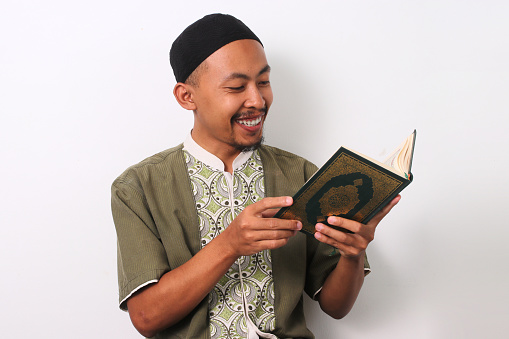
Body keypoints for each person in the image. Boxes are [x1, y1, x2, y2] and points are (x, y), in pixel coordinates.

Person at [111, 13, 400, 339]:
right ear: (186, 96)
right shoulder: (137, 188)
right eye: (236, 87)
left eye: (263, 82)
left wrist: (353, 253)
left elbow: (336, 306)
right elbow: (147, 318)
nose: (258, 100)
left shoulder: (302, 174)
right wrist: (230, 244)